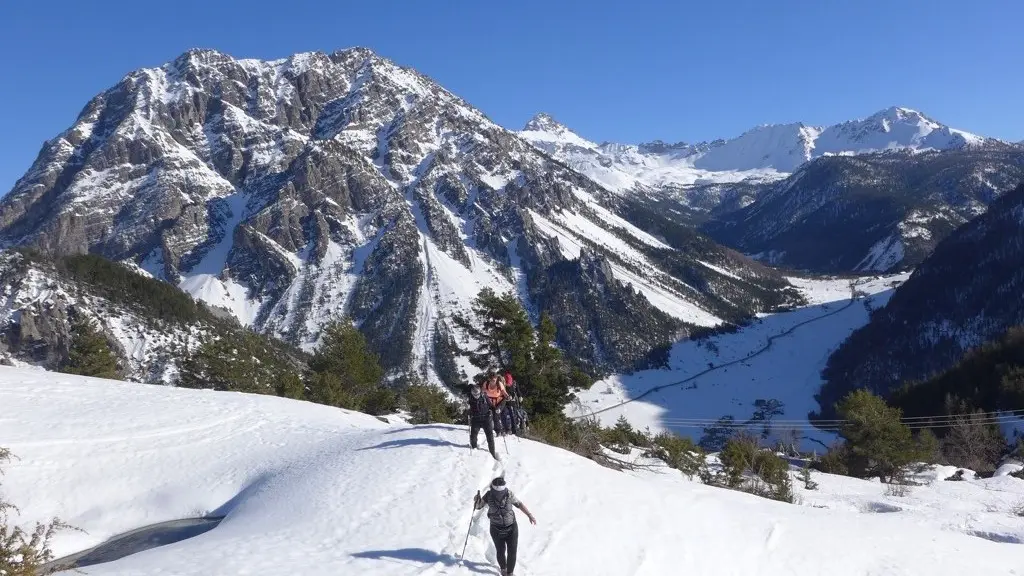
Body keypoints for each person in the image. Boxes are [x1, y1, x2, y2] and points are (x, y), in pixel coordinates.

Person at [473, 476, 536, 576]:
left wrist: (529, 515)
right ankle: (504, 570)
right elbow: (478, 506)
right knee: (503, 551)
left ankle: (508, 572)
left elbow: (519, 504)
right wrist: (477, 500)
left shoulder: (505, 494)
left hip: (507, 528)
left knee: (508, 551)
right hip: (500, 528)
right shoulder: (491, 495)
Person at [468, 384, 498, 459]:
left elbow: (491, 405)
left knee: (490, 437)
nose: (475, 395)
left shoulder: (484, 396)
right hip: (476, 419)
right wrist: (468, 412)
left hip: (486, 419)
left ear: (480, 392)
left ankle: (492, 453)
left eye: (477, 394)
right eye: (474, 394)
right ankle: (474, 448)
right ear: (472, 393)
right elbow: (469, 408)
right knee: (473, 436)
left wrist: (495, 409)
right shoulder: (470, 398)